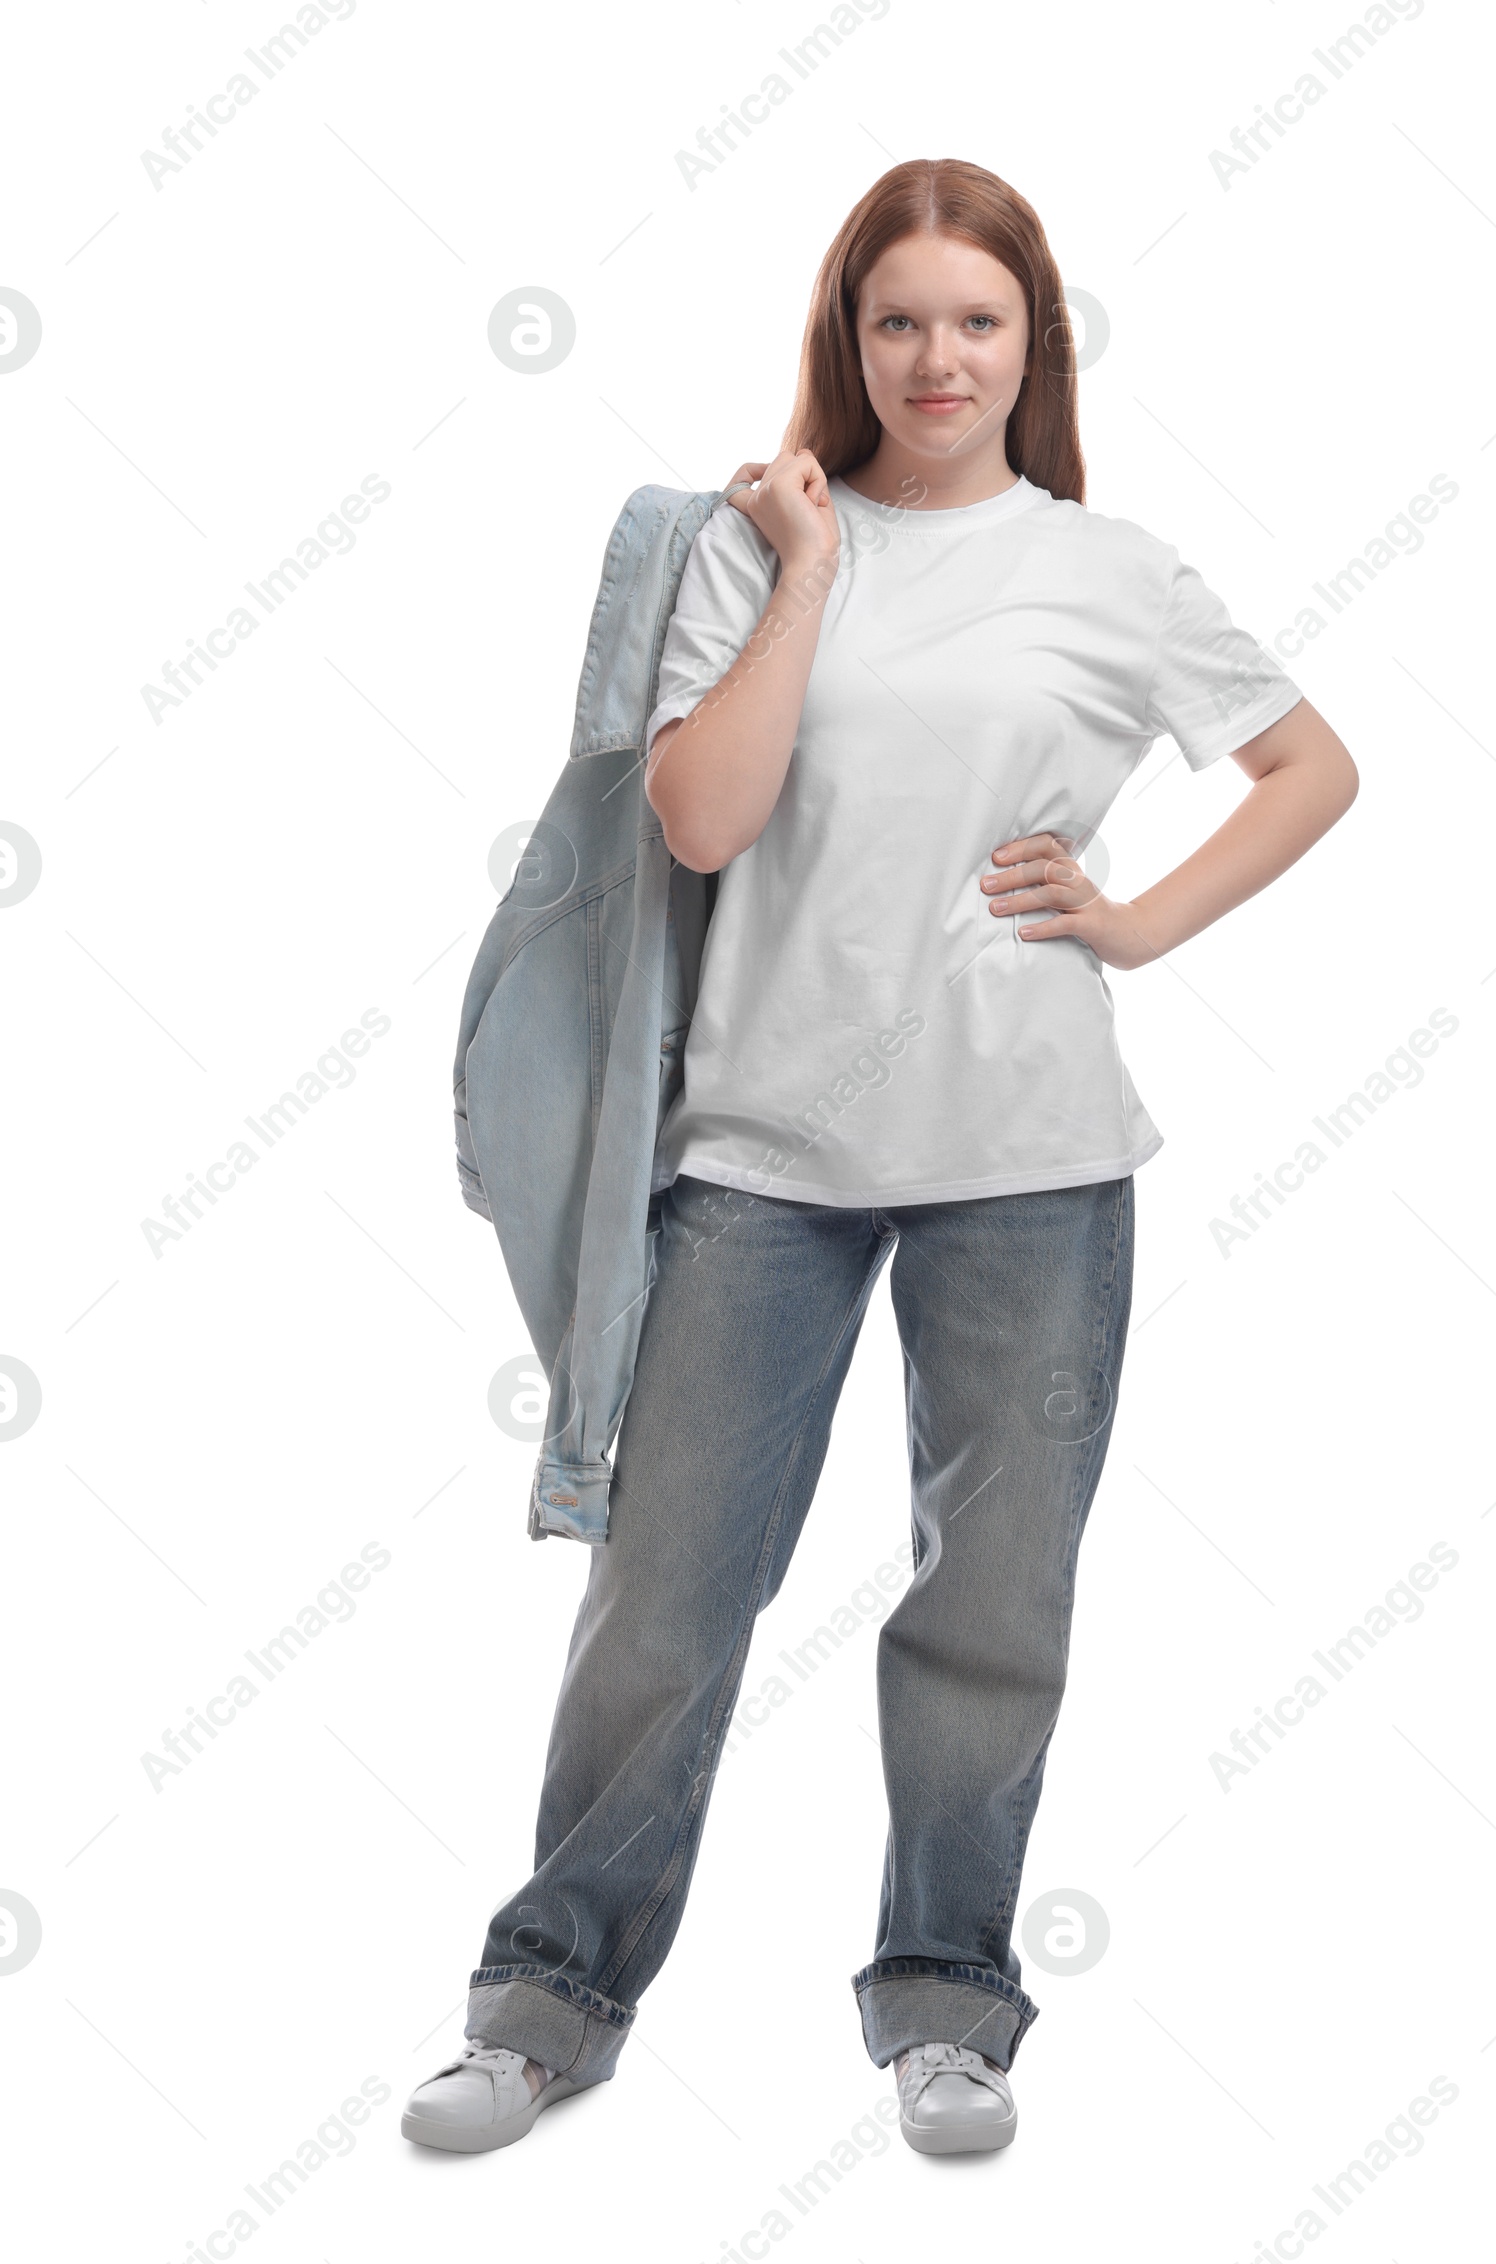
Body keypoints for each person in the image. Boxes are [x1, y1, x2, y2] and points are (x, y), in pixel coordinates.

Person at [402, 157, 1357, 2159]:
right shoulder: (757, 550)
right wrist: (813, 577)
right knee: (663, 1605)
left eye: (977, 321)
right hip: (756, 1153)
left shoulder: (1109, 574)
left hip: (1027, 1157)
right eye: (898, 318)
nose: (937, 357)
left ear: (1033, 344)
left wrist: (1136, 920)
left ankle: (946, 2002)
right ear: (848, 337)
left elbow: (1307, 764)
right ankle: (547, 1996)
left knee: (988, 1602)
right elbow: (696, 820)